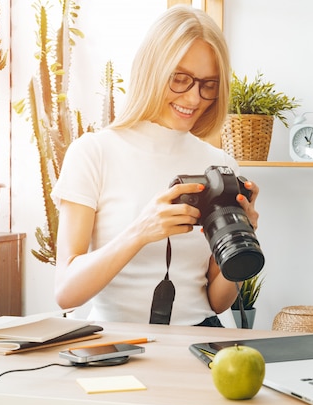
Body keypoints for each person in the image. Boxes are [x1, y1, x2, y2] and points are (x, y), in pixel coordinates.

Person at [51, 5, 260, 327]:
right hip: (114, 341)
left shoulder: (220, 165)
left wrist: (241, 242)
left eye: (208, 85)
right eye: (180, 79)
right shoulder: (93, 152)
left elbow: (218, 303)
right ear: (152, 70)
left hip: (200, 339)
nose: (194, 99)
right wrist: (139, 232)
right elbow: (66, 292)